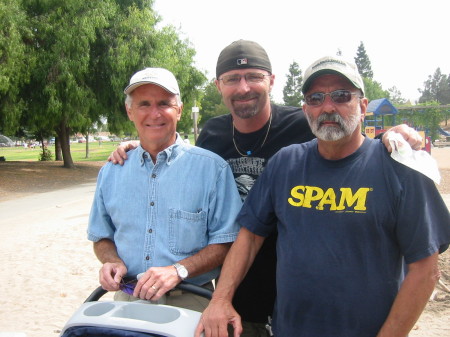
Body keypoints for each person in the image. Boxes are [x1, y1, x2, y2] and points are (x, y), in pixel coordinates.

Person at [109, 40, 424, 337]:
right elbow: (186, 163)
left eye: (253, 76)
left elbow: (348, 142)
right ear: (218, 85)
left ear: (271, 81)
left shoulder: (303, 124)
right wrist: (145, 144)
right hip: (239, 293)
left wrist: (393, 137)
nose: (243, 87)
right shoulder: (214, 133)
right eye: (232, 78)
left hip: (307, 297)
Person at [195, 55, 450, 337]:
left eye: (341, 96)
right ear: (306, 109)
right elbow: (250, 236)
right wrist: (220, 299)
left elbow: (425, 272)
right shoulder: (285, 164)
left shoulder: (400, 168)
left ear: (362, 106)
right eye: (316, 98)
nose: (327, 107)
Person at [87, 67, 242, 312]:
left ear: (179, 110)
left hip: (191, 300)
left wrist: (178, 270)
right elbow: (101, 236)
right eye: (144, 104)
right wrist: (111, 261)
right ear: (129, 111)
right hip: (128, 298)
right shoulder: (112, 171)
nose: (154, 113)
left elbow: (227, 241)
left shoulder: (212, 169)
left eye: (164, 104)